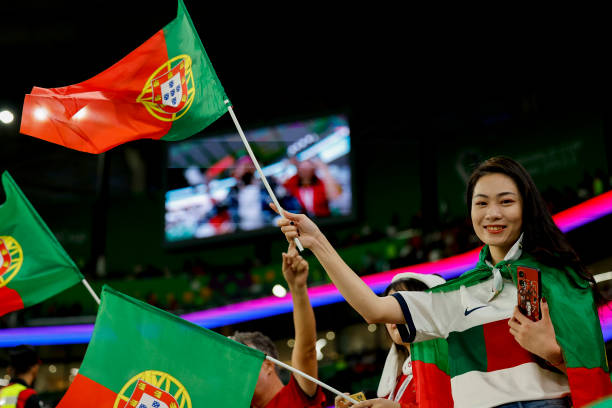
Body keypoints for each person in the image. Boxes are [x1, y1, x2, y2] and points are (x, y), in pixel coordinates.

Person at [274, 156, 612, 407]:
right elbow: (373, 308)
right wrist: (317, 241)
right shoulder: (458, 293)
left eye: (506, 201)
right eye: (481, 203)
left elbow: (592, 371)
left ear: (527, 207)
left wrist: (553, 352)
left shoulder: (561, 279)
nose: (492, 213)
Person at [231, 243, 326, 408]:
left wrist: (298, 288)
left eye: (242, 362)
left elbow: (307, 352)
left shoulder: (295, 396)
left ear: (268, 365)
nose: (234, 372)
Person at [335, 273, 446, 408]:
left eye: (399, 306)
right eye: (389, 308)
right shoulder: (397, 378)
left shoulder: (447, 360)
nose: (391, 317)